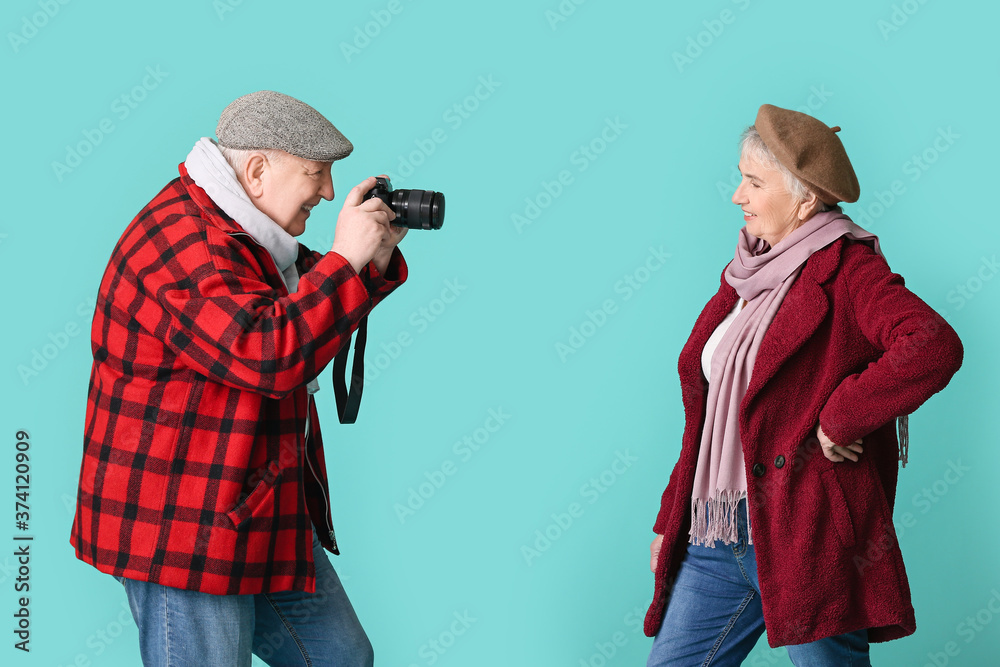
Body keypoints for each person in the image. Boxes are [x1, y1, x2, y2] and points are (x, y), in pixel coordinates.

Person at [70, 90, 407, 666]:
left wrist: (368, 261)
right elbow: (270, 352)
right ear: (256, 170)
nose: (327, 193)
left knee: (339, 658)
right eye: (317, 174)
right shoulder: (185, 242)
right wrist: (343, 262)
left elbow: (293, 306)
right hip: (184, 524)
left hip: (248, 506)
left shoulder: (234, 230)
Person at [644, 104, 963, 666]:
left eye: (753, 182)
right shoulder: (745, 276)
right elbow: (711, 411)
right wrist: (671, 517)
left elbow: (932, 344)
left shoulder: (849, 270)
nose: (737, 196)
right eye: (740, 178)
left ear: (805, 200)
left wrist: (841, 416)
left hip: (806, 530)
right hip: (715, 531)